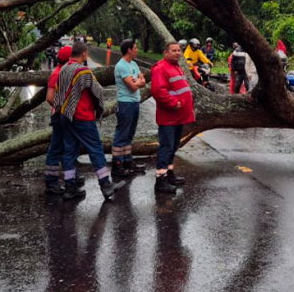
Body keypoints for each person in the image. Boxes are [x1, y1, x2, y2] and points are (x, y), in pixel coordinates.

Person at [53, 42, 126, 202]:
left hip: (65, 115)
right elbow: (97, 91)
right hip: (81, 116)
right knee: (96, 149)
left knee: (69, 151)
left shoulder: (64, 69)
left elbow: (58, 91)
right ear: (84, 54)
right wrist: (98, 108)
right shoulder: (83, 71)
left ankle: (70, 188)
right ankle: (106, 185)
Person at [151, 42, 196, 194]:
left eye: (179, 51)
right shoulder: (160, 68)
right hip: (169, 117)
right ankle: (160, 180)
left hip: (178, 117)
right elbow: (158, 91)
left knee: (173, 146)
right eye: (174, 51)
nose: (177, 53)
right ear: (166, 52)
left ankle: (169, 174)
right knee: (166, 147)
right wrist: (174, 104)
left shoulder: (176, 67)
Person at [43, 45, 83, 195]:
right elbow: (50, 98)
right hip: (60, 117)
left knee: (70, 148)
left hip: (68, 116)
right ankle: (51, 181)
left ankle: (71, 176)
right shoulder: (57, 74)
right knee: (57, 148)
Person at [112, 40, 148, 178]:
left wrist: (138, 81)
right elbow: (133, 86)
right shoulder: (121, 66)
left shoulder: (134, 64)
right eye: (135, 48)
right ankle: (117, 164)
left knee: (130, 134)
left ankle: (127, 160)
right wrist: (138, 81)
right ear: (129, 50)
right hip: (125, 103)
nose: (137, 50)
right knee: (121, 134)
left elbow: (142, 82)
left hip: (135, 102)